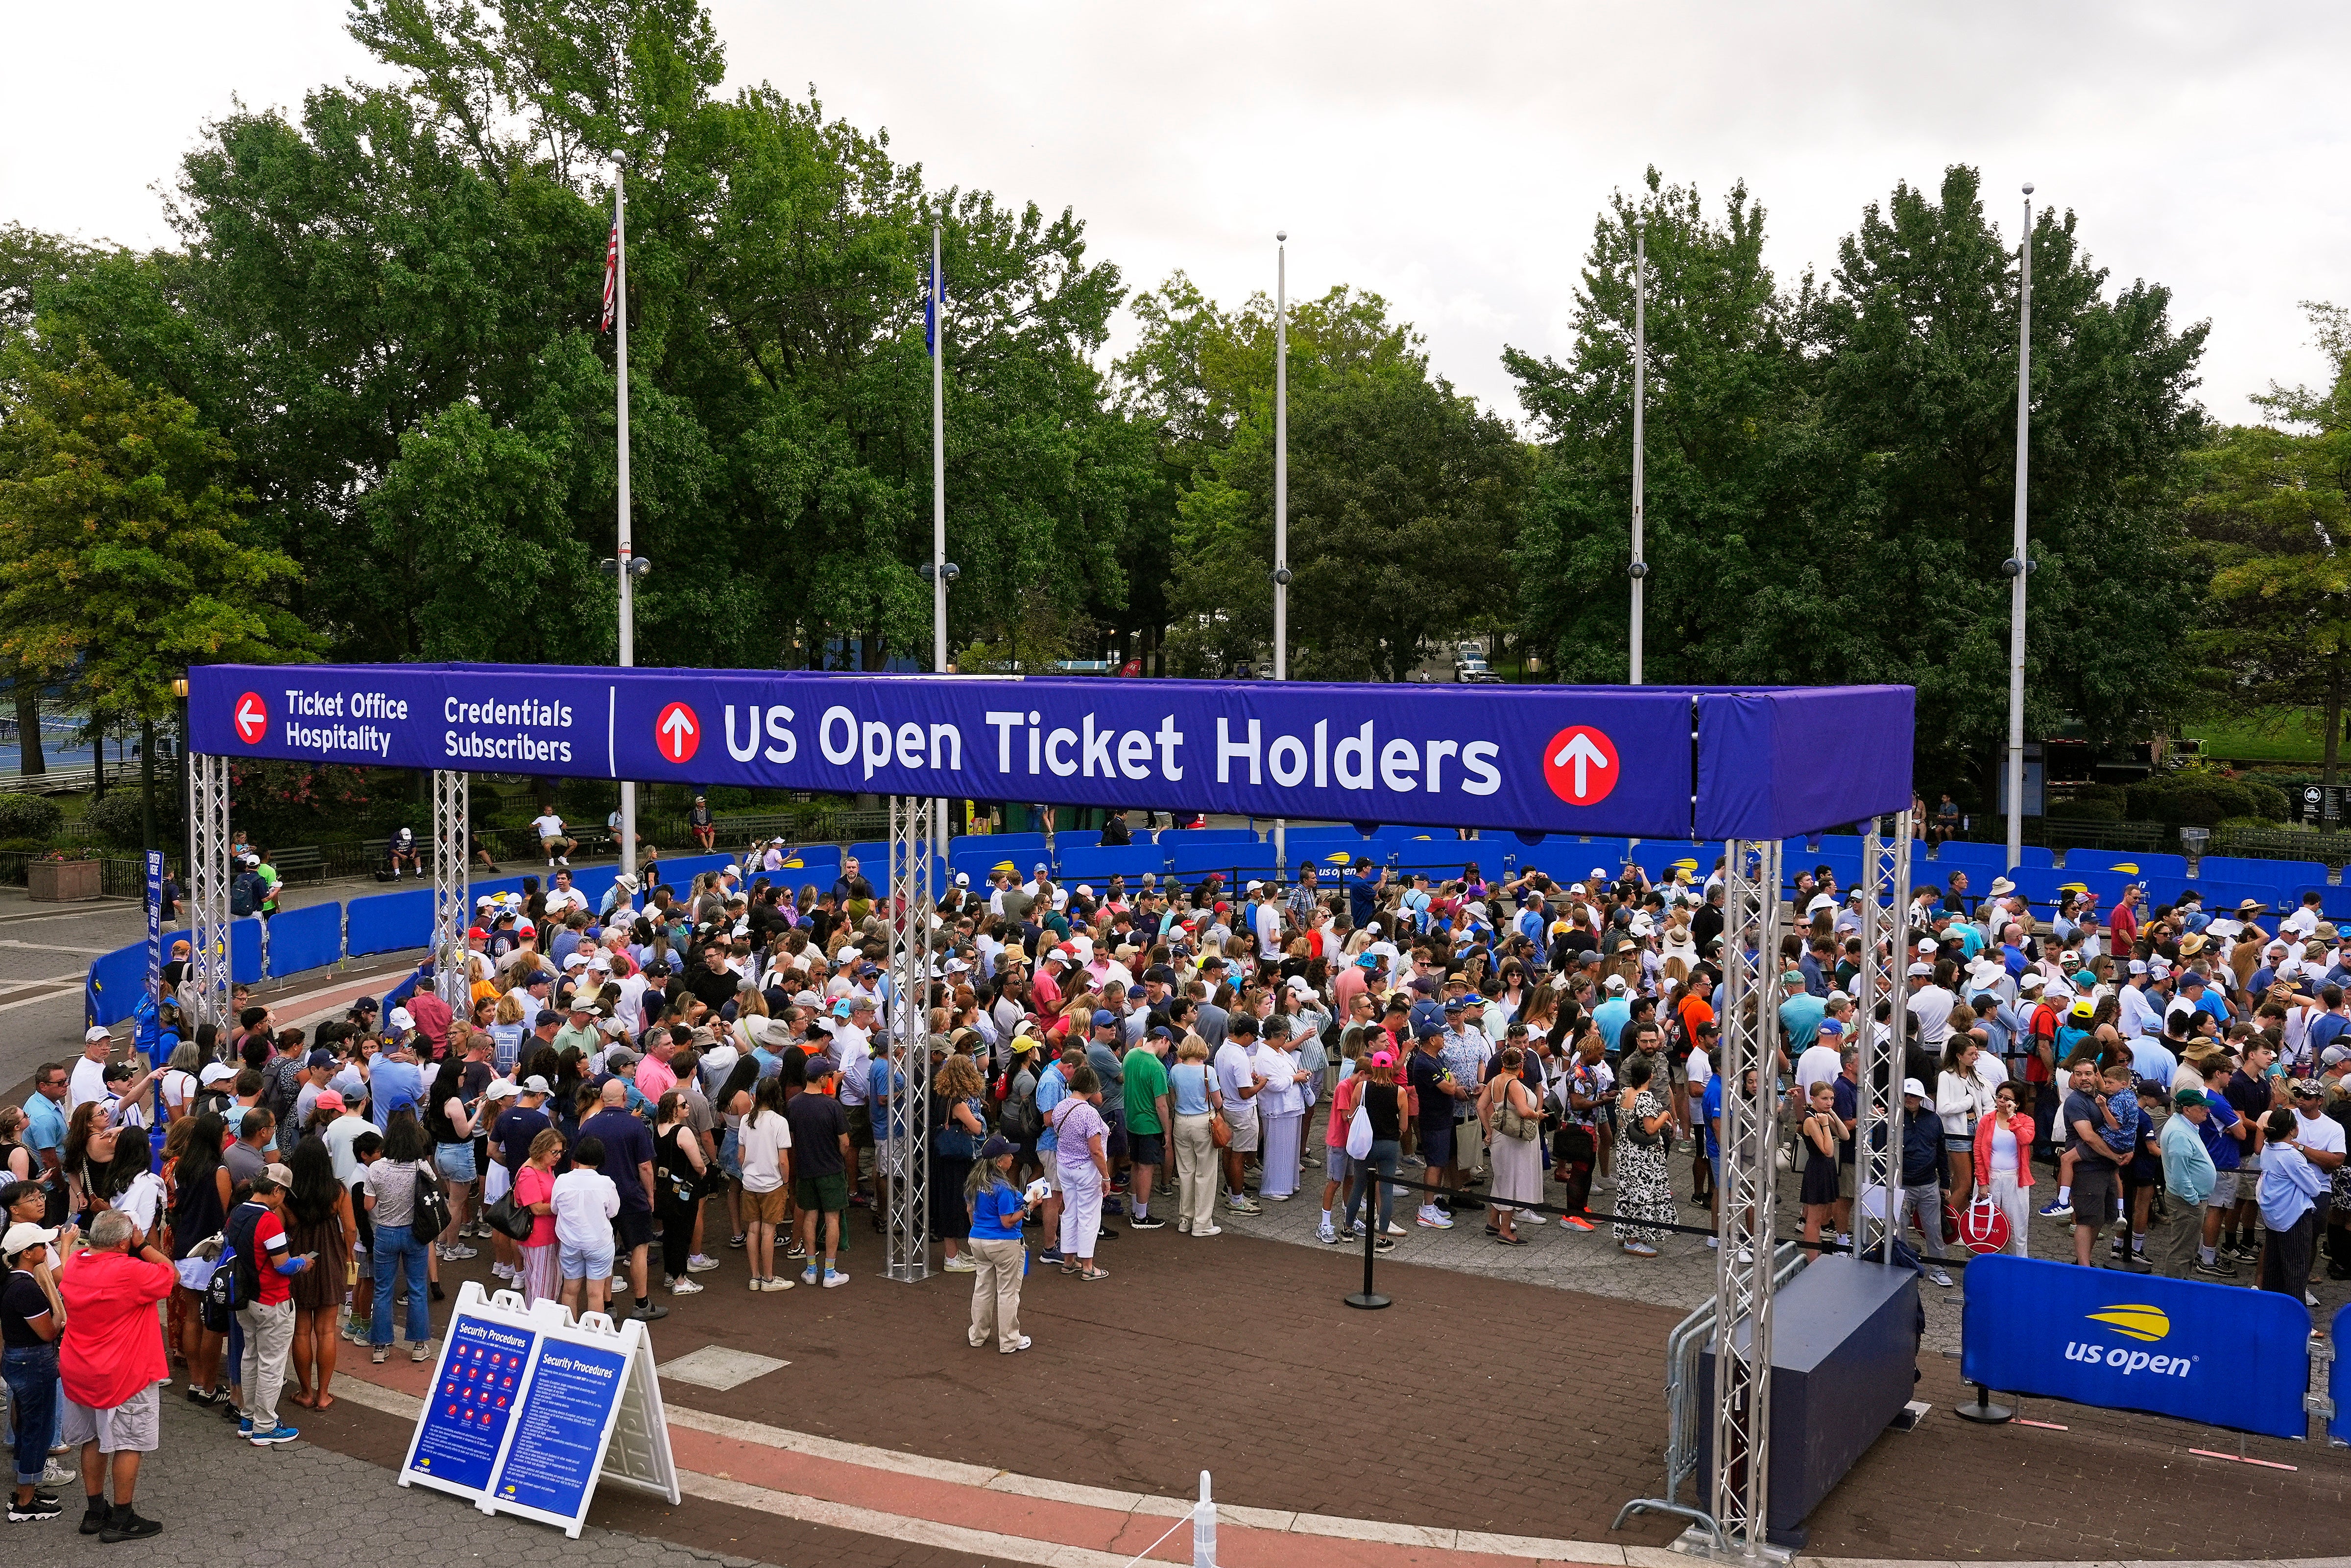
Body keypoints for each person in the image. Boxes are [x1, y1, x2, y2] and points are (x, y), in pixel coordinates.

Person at [56, 1209, 174, 1541]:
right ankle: (122, 1519)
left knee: (92, 1439)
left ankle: (95, 1512)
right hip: (125, 1373)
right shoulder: (132, 1270)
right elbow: (171, 1274)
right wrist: (144, 1246)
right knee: (128, 1442)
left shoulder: (78, 1262)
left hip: (79, 1368)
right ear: (124, 1242)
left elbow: (64, 1269)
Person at [224, 1161, 312, 1447]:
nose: (283, 1199)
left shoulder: (237, 1212)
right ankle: (265, 1426)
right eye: (284, 1193)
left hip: (244, 1298)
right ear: (276, 1190)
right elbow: (283, 1265)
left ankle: (248, 1419)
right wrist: (303, 1263)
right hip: (272, 1300)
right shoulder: (270, 1221)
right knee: (272, 1364)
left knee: (250, 1357)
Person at [579, 1080, 666, 1322]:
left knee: (605, 1251)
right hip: (630, 1194)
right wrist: (650, 1195)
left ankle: (607, 1304)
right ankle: (642, 1303)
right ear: (625, 1098)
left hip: (598, 1198)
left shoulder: (589, 1126)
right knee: (639, 1248)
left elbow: (578, 1164)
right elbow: (645, 1166)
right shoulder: (634, 1125)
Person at [281, 1138, 352, 1411]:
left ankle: (305, 1392)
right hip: (329, 1260)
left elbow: (284, 1225)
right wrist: (348, 1255)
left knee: (300, 1333)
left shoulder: (288, 1193)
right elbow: (351, 1229)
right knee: (326, 1333)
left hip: (297, 1263)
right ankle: (324, 1394)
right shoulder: (337, 1192)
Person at [362, 1109, 435, 1363]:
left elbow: (368, 1205)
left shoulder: (377, 1168)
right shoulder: (422, 1166)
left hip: (385, 1233)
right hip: (416, 1233)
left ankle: (380, 1347)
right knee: (416, 1288)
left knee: (383, 1289)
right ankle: (418, 1345)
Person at [4, 1219, 64, 1522]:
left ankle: (24, 1488)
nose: (47, 1248)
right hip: (33, 1362)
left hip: (17, 1360)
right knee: (36, 1430)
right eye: (42, 1245)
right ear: (26, 1253)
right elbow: (48, 1332)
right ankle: (25, 1502)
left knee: (27, 1426)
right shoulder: (26, 1287)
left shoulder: (12, 1282)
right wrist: (60, 1320)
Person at [963, 1135, 1035, 1354]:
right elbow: (1007, 1221)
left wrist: (980, 1230)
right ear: (998, 1162)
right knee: (1008, 1292)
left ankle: (978, 1335)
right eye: (1008, 1155)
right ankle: (1009, 1340)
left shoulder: (974, 1182)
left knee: (983, 1288)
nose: (1012, 1158)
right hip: (1004, 1244)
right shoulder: (1003, 1189)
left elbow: (970, 1211)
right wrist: (1029, 1208)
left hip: (978, 1240)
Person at [785, 1064, 851, 1289]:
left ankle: (811, 1269)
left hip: (806, 1169)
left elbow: (792, 1139)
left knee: (809, 1217)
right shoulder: (833, 1106)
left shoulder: (793, 1105)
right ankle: (830, 1272)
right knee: (832, 1218)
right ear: (822, 1078)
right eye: (829, 1076)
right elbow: (845, 1143)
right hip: (831, 1170)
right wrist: (837, 1156)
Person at [2255, 1106, 2327, 1299]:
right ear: (2292, 1131)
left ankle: (2271, 1311)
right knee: (2296, 1271)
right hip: (2293, 1218)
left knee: (2273, 1268)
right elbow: (2314, 1187)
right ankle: (2297, 1322)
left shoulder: (2267, 1149)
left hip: (2273, 1217)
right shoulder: (2291, 1155)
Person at [1342, 1050, 1411, 1250]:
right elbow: (1404, 1126)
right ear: (1390, 1068)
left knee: (1359, 1186)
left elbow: (1352, 1113)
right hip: (1389, 1144)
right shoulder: (1400, 1092)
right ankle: (1382, 1238)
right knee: (1386, 1190)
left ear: (1373, 1067)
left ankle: (1347, 1229)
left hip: (1366, 1144)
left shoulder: (1362, 1087)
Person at [1050, 1063, 1111, 1281]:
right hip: (1086, 1169)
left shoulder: (1060, 1107)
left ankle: (1068, 1260)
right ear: (1091, 1087)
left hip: (1064, 1166)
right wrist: (1106, 1176)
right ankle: (1088, 1266)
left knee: (1069, 1212)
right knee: (1089, 1216)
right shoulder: (1089, 1113)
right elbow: (1096, 1150)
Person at [1611, 1057, 1676, 1257]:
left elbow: (1622, 1121)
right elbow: (1650, 1129)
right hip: (1643, 1155)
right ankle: (1633, 1240)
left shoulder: (1624, 1093)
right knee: (1643, 1194)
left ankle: (1626, 1232)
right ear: (1650, 1075)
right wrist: (1665, 1116)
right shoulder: (1645, 1098)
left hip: (1626, 1150)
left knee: (1628, 1192)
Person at [735, 1077, 793, 1293]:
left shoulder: (746, 1120)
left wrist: (747, 1172)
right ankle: (769, 1278)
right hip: (772, 1184)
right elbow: (784, 1160)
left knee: (753, 1230)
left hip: (750, 1182)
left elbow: (740, 1156)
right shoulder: (780, 1122)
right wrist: (785, 1181)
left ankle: (755, 1277)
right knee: (769, 1231)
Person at [1480, 1046, 1543, 1245]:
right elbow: (1524, 1111)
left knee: (1501, 1179)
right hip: (1515, 1139)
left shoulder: (1493, 1082)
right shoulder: (1514, 1084)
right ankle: (1506, 1230)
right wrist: (1538, 1115)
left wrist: (1489, 1131)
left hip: (1500, 1136)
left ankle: (1493, 1221)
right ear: (1521, 1065)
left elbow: (1481, 1107)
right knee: (1513, 1182)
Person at [552, 1135, 621, 1317]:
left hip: (570, 1242)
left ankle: (569, 1332)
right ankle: (594, 1337)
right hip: (599, 1243)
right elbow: (613, 1212)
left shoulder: (562, 1180)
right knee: (596, 1293)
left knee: (569, 1291)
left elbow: (554, 1208)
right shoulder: (606, 1183)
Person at [931, 1054, 987, 1270]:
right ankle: (951, 1258)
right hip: (955, 1160)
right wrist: (977, 1120)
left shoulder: (942, 1096)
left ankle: (953, 1253)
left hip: (945, 1158)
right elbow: (977, 1128)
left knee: (951, 1203)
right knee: (956, 1205)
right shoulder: (957, 1103)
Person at [2153, 1089, 2217, 1278]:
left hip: (2188, 1200)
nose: (2207, 1111)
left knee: (2187, 1248)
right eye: (2202, 1107)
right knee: (2183, 1251)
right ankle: (2175, 1292)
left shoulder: (2183, 1126)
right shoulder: (2180, 1133)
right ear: (2187, 1110)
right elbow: (2180, 1174)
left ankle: (2181, 1285)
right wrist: (2193, 1199)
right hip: (2186, 1202)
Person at [1969, 1081, 2036, 1260]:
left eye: (2007, 1099)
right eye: (1999, 1097)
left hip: (2015, 1179)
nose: (2001, 1102)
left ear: (2017, 1103)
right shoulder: (1987, 1120)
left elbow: (2026, 1140)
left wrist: (2013, 1117)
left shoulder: (2026, 1121)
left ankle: (2019, 1267)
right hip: (1990, 1178)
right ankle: (1986, 1265)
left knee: (2018, 1228)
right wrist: (1982, 1183)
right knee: (1986, 1226)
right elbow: (1978, 1151)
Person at [1166, 1035, 1223, 1237]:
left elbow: (1172, 1098)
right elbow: (1217, 1102)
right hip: (1203, 1122)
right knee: (1206, 1173)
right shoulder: (1208, 1071)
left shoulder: (1175, 1070)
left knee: (1186, 1172)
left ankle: (1185, 1219)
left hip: (1181, 1121)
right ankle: (1202, 1223)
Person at [512, 1128, 564, 1306]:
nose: (558, 1156)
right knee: (541, 1289)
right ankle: (536, 1326)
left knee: (549, 1284)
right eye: (554, 1152)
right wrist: (563, 1206)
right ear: (542, 1149)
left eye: (560, 1152)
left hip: (549, 1237)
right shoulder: (528, 1174)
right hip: (538, 1238)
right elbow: (537, 1209)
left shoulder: (547, 1168)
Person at [1797, 1081, 1846, 1258]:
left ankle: (1815, 1256)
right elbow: (1828, 1150)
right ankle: (1812, 1258)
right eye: (1824, 1099)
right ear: (1813, 1099)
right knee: (1814, 1219)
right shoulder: (1811, 1120)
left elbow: (1845, 1135)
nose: (1829, 1102)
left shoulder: (1824, 1114)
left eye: (1832, 1099)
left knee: (1822, 1216)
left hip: (1828, 1169)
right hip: (1817, 1169)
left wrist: (1831, 1114)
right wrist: (1825, 1126)